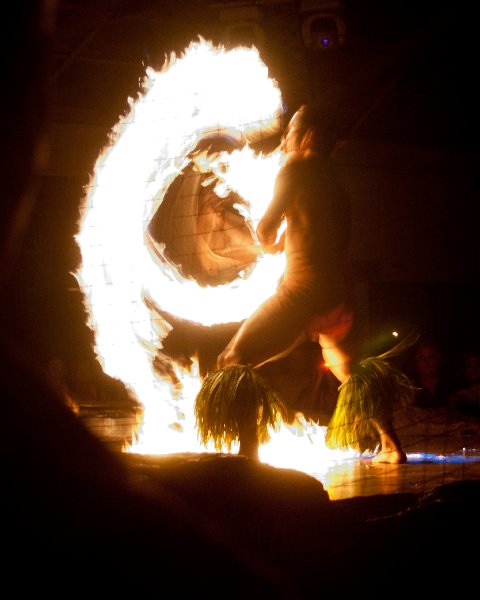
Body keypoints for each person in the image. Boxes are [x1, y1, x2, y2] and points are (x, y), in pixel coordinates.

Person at [195, 104, 415, 463]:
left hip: (303, 293)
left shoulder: (295, 168)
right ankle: (392, 446)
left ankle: (248, 454)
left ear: (309, 136)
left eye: (291, 132)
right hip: (338, 298)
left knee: (232, 358)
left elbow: (267, 230)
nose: (286, 139)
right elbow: (319, 236)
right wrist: (286, 239)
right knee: (350, 372)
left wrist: (267, 239)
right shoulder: (337, 183)